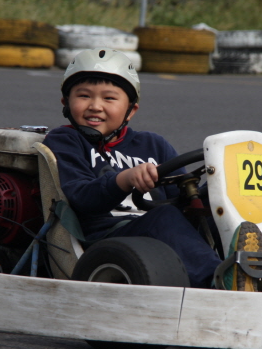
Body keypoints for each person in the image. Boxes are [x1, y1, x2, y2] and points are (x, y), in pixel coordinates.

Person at [42, 47, 245, 288]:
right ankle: (219, 281)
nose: (95, 106)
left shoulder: (152, 144)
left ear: (130, 110)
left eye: (109, 98)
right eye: (84, 96)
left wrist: (215, 191)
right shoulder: (65, 141)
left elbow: (184, 199)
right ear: (66, 102)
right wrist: (125, 179)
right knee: (165, 217)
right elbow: (82, 198)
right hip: (106, 237)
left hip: (157, 234)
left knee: (227, 211)